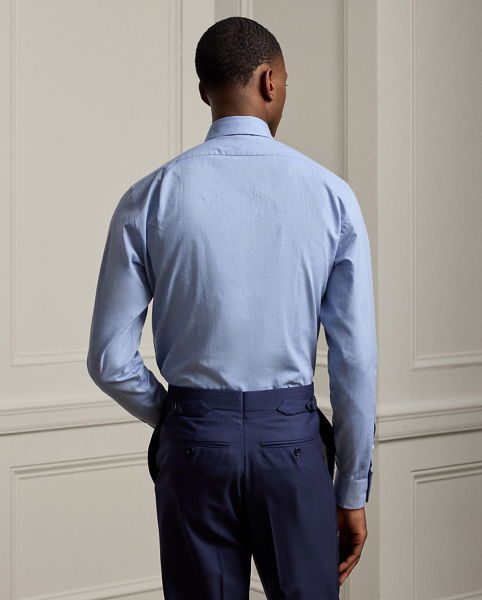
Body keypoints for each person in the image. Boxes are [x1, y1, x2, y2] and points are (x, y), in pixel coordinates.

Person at [87, 15, 377, 600]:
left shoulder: (149, 197)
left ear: (204, 91)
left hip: (193, 443)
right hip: (292, 445)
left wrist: (181, 417)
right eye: (285, 82)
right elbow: (356, 362)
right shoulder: (331, 196)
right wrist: (352, 489)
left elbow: (109, 361)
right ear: (270, 80)